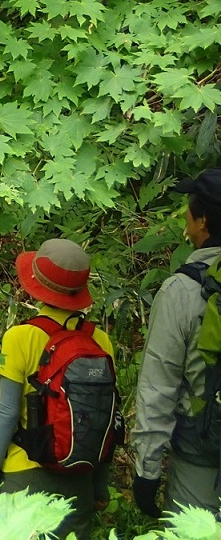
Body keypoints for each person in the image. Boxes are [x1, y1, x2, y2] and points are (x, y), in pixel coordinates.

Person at [0, 238, 115, 540]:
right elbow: (107, 418)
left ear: (36, 286)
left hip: (23, 477)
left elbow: (8, 412)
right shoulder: (100, 342)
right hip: (79, 478)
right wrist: (99, 483)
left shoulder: (20, 337)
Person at [133, 171, 221, 519]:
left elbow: (159, 385)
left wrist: (147, 470)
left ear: (202, 221)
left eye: (189, 208)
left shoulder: (181, 291)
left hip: (200, 452)